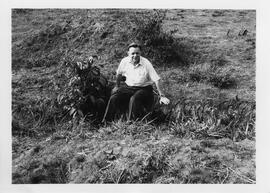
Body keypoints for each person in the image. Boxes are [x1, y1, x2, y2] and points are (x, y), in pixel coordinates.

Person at [102, 42, 170, 122]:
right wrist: (117, 86)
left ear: (140, 53)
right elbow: (119, 74)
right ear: (128, 53)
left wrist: (162, 95)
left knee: (134, 99)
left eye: (137, 53)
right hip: (129, 87)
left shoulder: (146, 63)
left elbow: (156, 79)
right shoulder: (124, 61)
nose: (135, 55)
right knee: (114, 97)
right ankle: (106, 121)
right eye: (133, 53)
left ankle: (131, 123)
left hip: (144, 89)